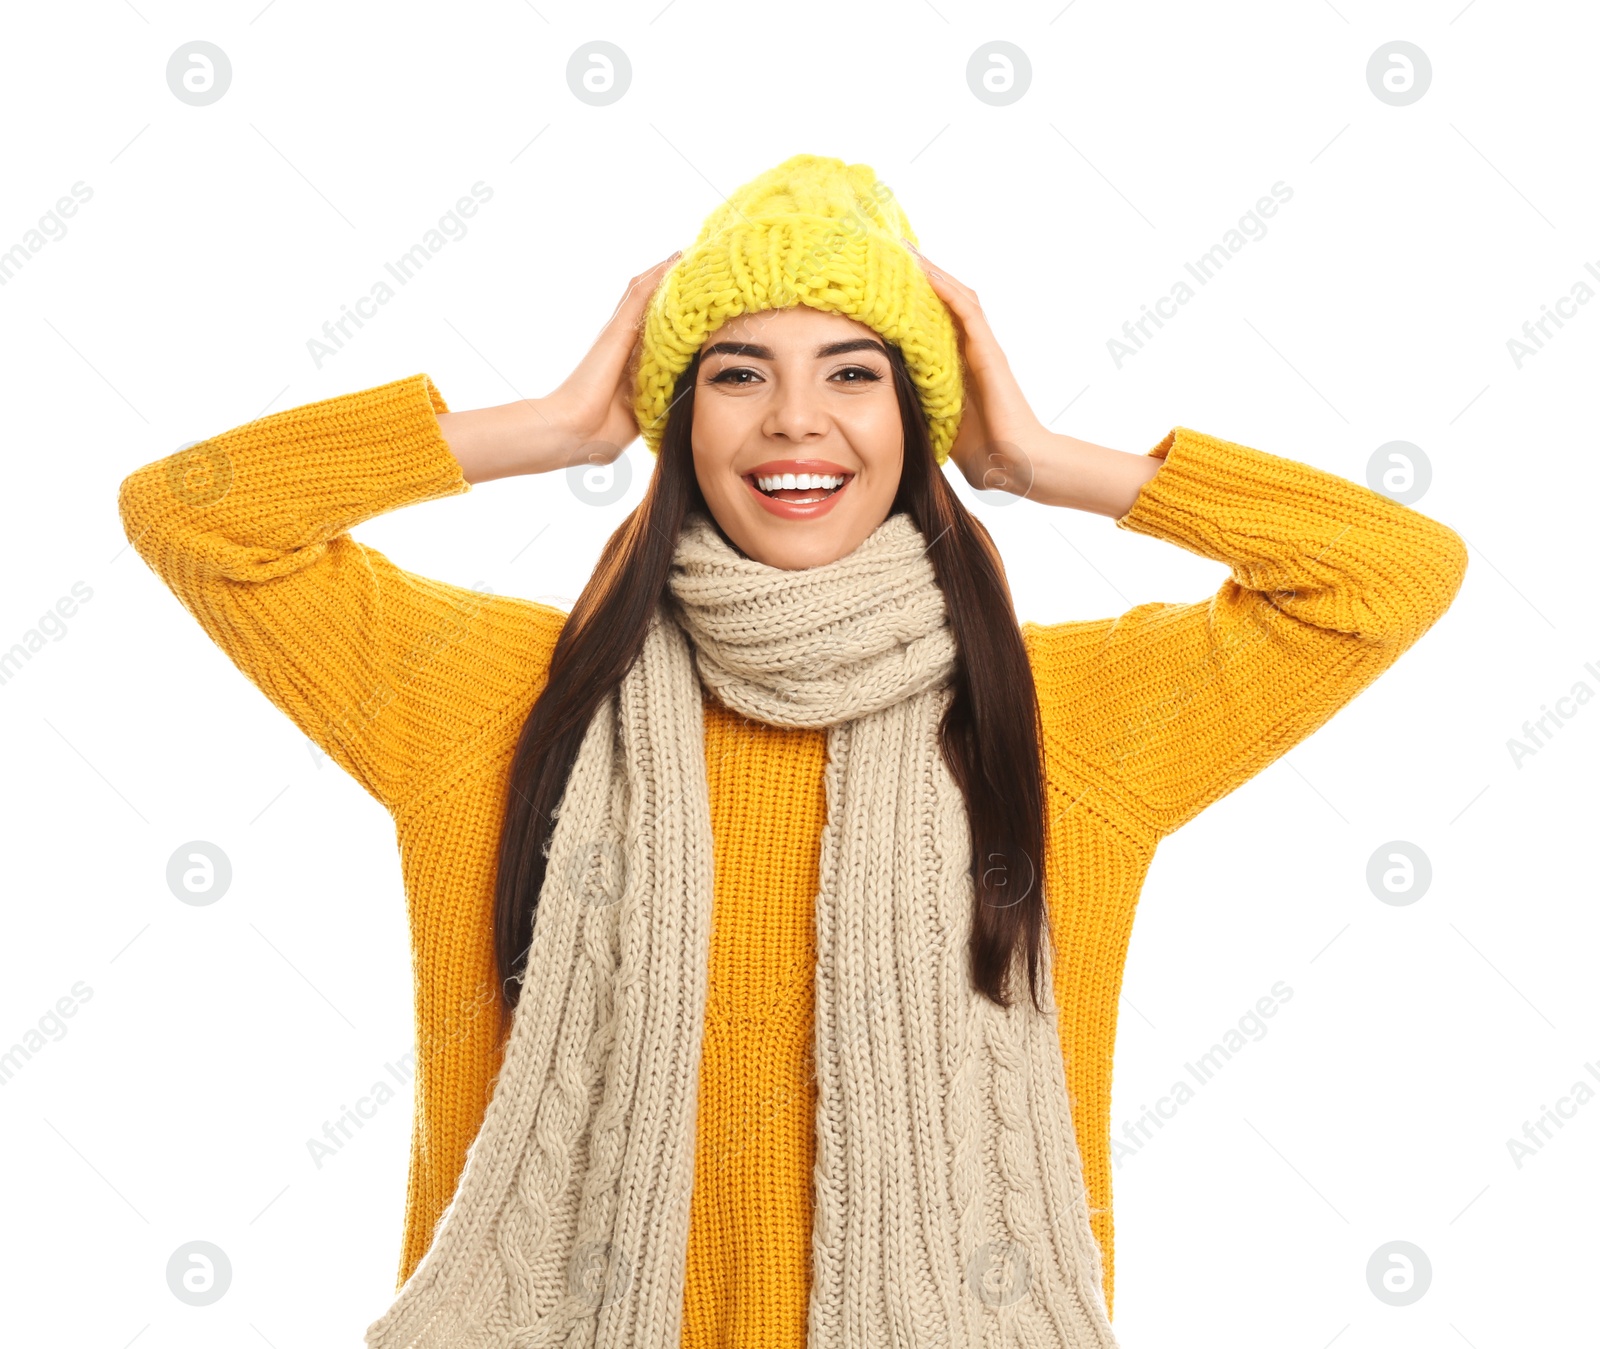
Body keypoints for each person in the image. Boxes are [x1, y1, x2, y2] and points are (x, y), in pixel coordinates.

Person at [117, 153, 1468, 1348]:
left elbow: (1389, 572)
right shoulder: (494, 699)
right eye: (737, 372)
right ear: (679, 419)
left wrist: (1042, 456)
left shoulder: (1062, 716)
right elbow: (193, 516)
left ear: (920, 425)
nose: (794, 419)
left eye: (855, 373)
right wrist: (552, 427)